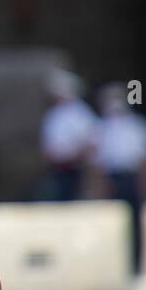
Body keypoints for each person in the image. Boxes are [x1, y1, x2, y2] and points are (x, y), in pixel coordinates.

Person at [94, 81, 146, 273]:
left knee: (136, 223)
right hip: (113, 178)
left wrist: (144, 184)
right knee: (114, 224)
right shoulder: (101, 128)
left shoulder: (136, 125)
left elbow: (145, 158)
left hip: (132, 178)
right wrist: (102, 185)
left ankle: (137, 266)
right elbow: (98, 161)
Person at [39, 68, 97, 201]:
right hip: (56, 169)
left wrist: (75, 157)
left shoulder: (80, 112)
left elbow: (91, 142)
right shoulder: (53, 114)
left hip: (75, 170)